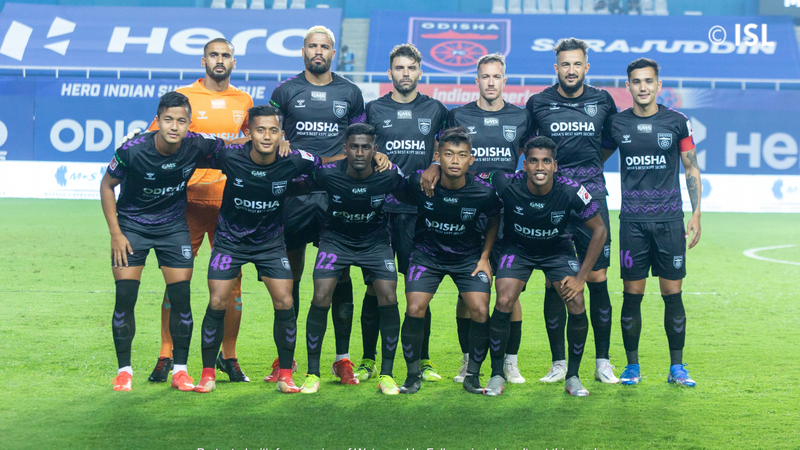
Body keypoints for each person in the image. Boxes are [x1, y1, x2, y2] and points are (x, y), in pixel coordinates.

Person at [192, 107, 389, 394]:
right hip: (230, 241)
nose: (267, 136)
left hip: (270, 243)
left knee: (285, 300)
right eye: (260, 130)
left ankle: (286, 375)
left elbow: (326, 162)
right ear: (249, 133)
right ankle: (207, 374)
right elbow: (192, 153)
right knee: (218, 300)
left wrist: (373, 157)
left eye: (273, 131)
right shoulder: (229, 156)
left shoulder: (294, 158)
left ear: (282, 135)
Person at [419, 53, 533, 384]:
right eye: (485, 76)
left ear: (504, 81)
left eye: (496, 76)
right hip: (468, 214)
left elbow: (529, 158)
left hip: (508, 214)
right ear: (477, 80)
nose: (491, 82)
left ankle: (510, 362)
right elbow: (445, 151)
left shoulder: (520, 117)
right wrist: (435, 165)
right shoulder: (459, 115)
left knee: (509, 289)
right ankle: (468, 360)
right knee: (466, 291)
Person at [146, 38, 254, 384]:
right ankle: (166, 355)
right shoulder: (183, 97)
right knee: (177, 282)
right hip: (186, 204)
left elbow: (252, 143)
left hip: (230, 205)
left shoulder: (244, 101)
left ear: (234, 62)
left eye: (226, 55)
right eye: (214, 55)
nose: (219, 60)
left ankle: (229, 356)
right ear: (203, 60)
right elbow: (154, 140)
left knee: (232, 285)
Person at [101, 92, 226, 392]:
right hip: (132, 227)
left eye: (181, 121)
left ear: (189, 123)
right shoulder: (132, 151)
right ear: (157, 120)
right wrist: (116, 234)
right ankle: (124, 371)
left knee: (181, 298)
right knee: (125, 297)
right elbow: (107, 186)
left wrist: (276, 142)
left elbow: (232, 145)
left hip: (172, 227)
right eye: (168, 119)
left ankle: (180, 371)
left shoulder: (196, 144)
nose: (174, 126)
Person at [269, 25, 366, 385]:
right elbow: (269, 131)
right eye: (313, 46)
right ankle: (287, 359)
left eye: (324, 46)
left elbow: (360, 139)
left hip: (335, 194)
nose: (318, 52)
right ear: (304, 51)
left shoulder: (350, 93)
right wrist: (280, 140)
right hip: (294, 194)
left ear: (333, 53)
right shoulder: (285, 91)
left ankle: (342, 359)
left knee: (340, 274)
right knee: (290, 274)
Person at [601, 58, 701, 387]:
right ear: (628, 86)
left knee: (673, 294)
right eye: (636, 81)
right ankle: (632, 367)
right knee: (632, 294)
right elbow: (595, 161)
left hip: (670, 221)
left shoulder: (678, 122)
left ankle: (677, 367)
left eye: (648, 81)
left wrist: (696, 213)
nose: (642, 87)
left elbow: (691, 167)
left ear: (658, 85)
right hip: (633, 222)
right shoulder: (616, 124)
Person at [525, 38, 620, 384]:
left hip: (593, 197)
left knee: (597, 279)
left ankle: (603, 362)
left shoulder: (603, 101)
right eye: (565, 64)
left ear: (586, 67)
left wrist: (588, 170)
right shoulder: (538, 103)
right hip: (554, 200)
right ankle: (558, 364)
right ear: (556, 68)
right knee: (555, 281)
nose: (571, 70)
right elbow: (528, 149)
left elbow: (608, 144)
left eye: (577, 64)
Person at [356, 43, 449, 383]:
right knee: (375, 288)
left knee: (417, 289)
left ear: (420, 72)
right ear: (390, 73)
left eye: (411, 68)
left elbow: (447, 147)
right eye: (399, 68)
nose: (405, 73)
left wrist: (436, 163)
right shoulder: (374, 109)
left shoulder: (436, 109)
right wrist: (373, 156)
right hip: (380, 211)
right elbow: (358, 149)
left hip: (419, 212)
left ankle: (423, 359)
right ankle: (368, 359)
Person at [487, 136, 607, 397]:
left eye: (545, 161)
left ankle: (572, 377)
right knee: (504, 299)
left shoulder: (572, 190)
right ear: (524, 165)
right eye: (533, 161)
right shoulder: (506, 182)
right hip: (517, 249)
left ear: (555, 165)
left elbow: (600, 230)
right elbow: (472, 176)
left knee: (576, 301)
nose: (539, 167)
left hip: (557, 250)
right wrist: (435, 168)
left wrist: (581, 277)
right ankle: (496, 374)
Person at [295, 124, 405, 395]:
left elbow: (414, 191)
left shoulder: (388, 175)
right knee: (321, 294)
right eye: (354, 146)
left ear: (375, 150)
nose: (359, 152)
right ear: (344, 149)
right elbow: (295, 186)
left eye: (365, 147)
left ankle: (387, 375)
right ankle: (312, 374)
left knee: (388, 295)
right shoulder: (327, 174)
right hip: (336, 240)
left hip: (375, 241)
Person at [398, 127, 502, 395]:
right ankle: (412, 376)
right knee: (414, 307)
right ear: (437, 157)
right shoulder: (420, 182)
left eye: (462, 155)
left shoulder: (484, 192)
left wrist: (485, 257)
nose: (455, 160)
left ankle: (473, 376)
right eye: (448, 154)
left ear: (471, 159)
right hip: (427, 255)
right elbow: (396, 192)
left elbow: (494, 219)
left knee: (480, 310)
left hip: (468, 258)